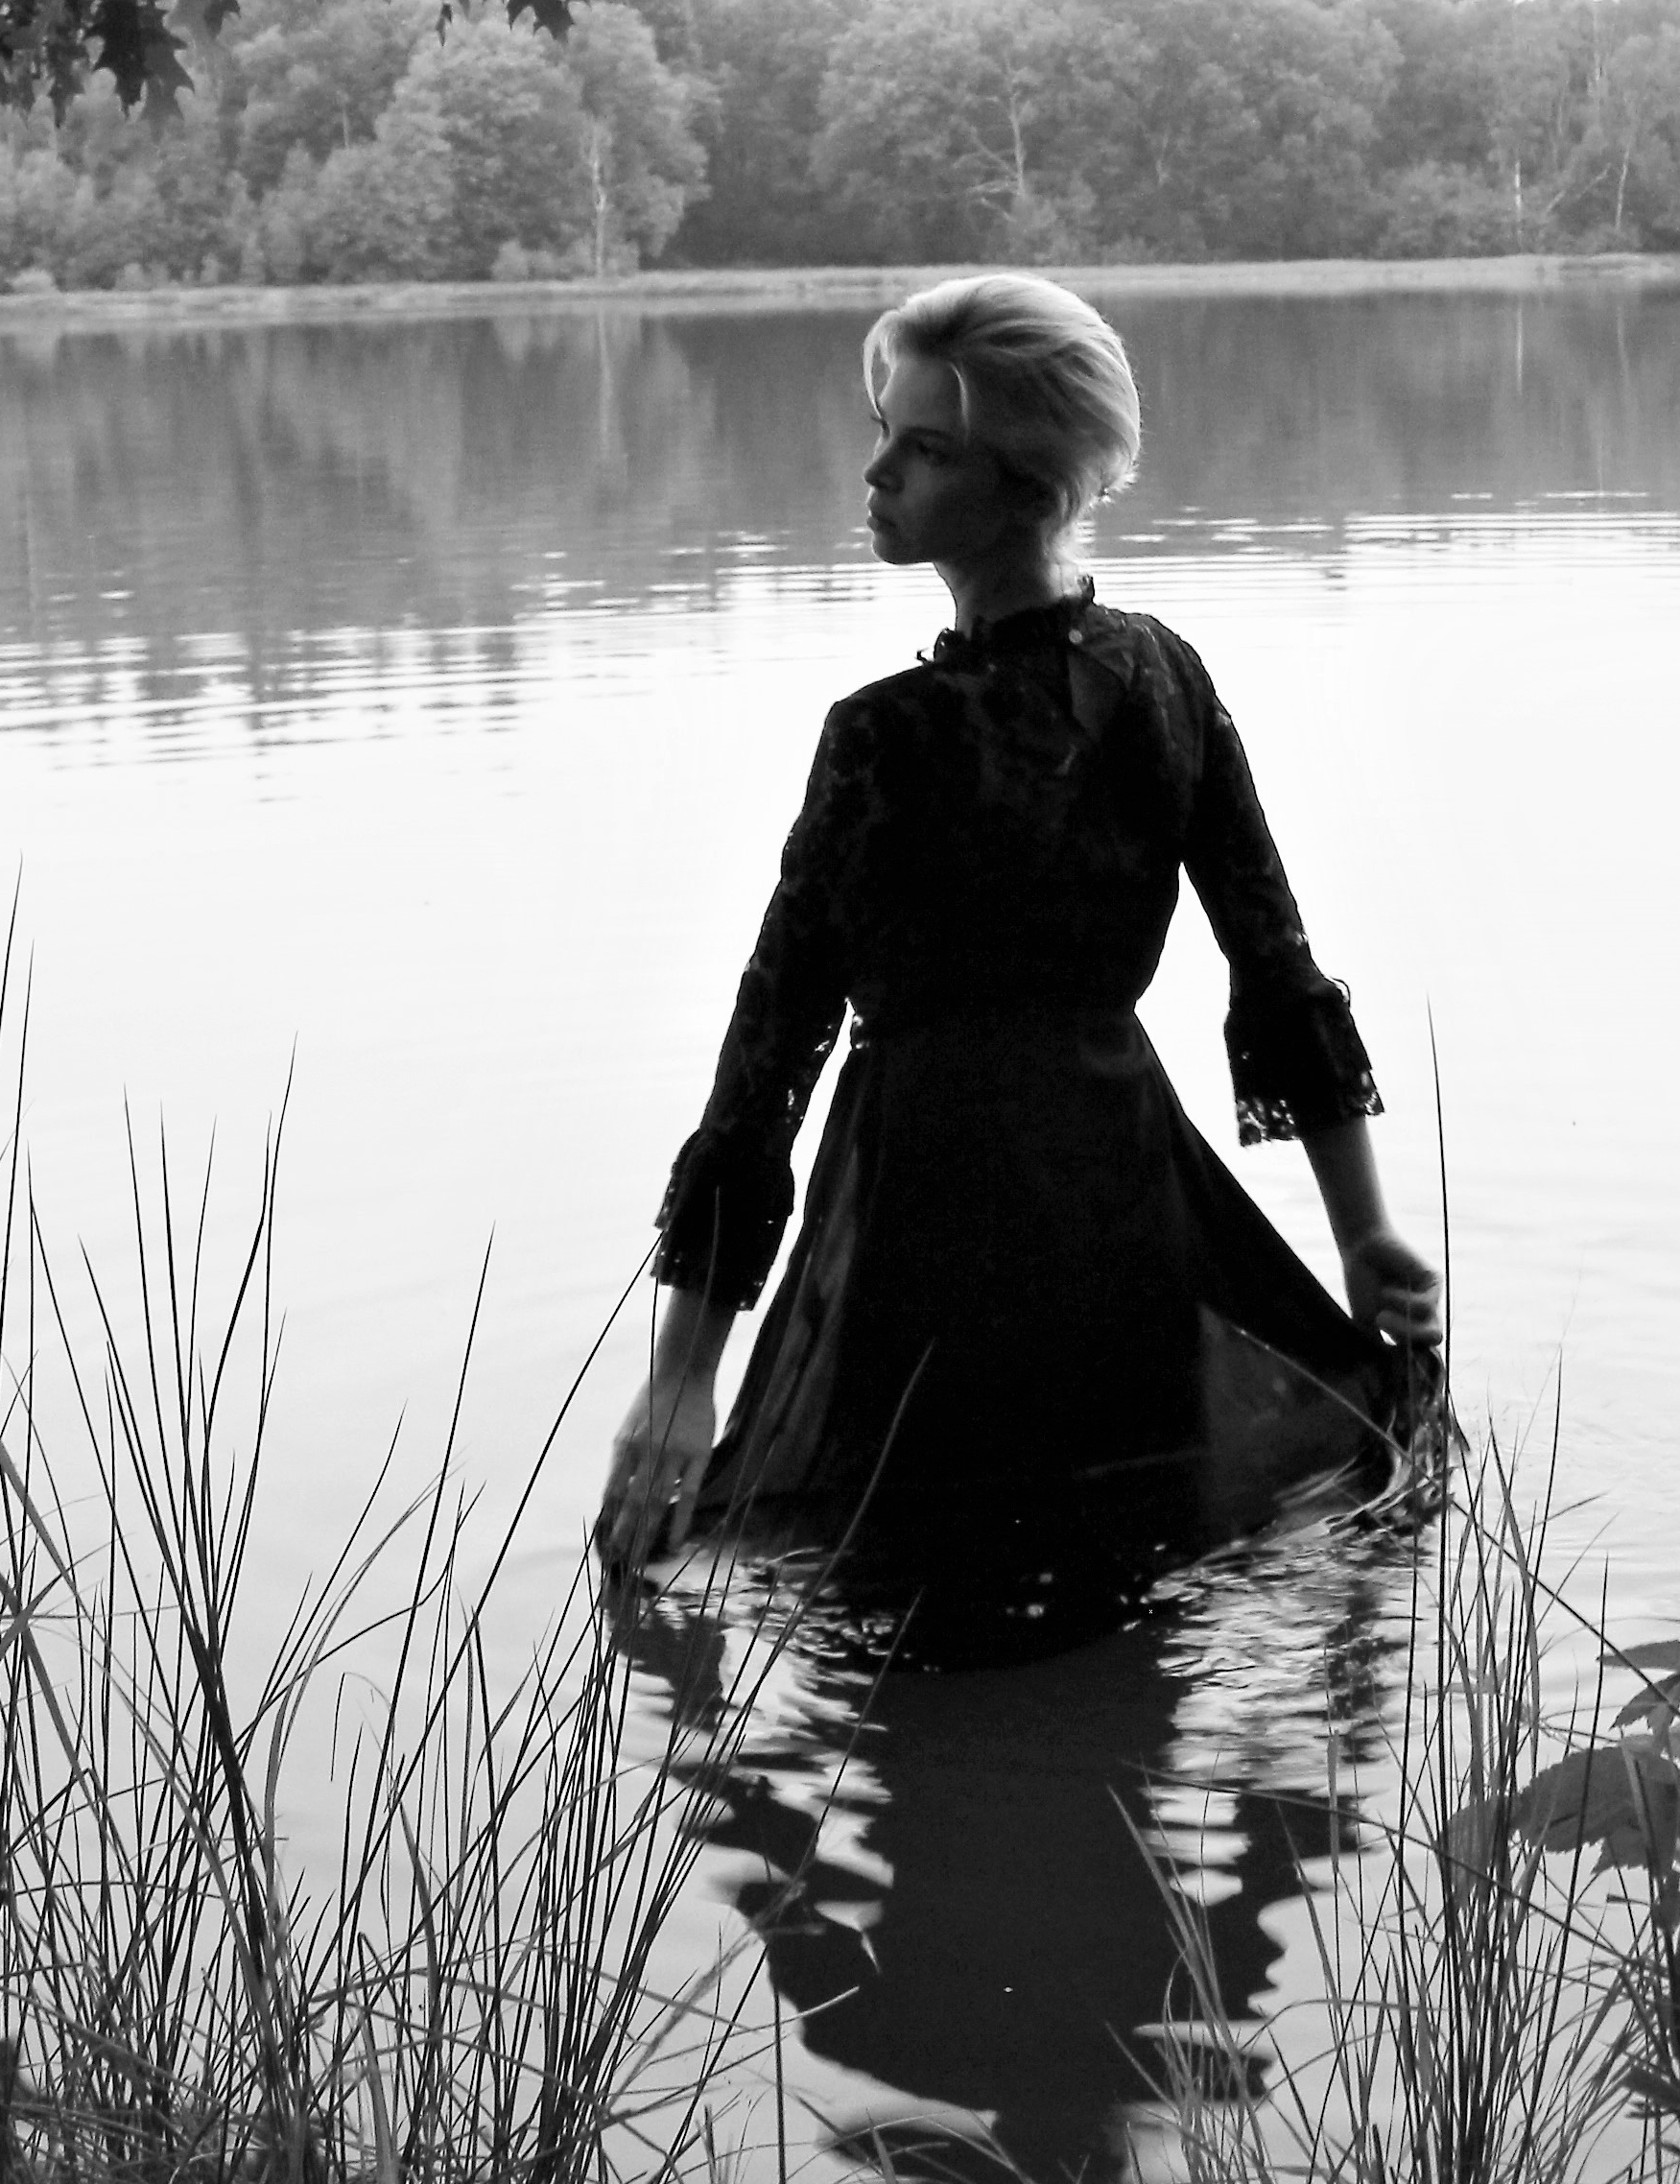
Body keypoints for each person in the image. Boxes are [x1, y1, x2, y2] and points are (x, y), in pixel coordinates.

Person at [593, 274, 1445, 1613]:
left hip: (922, 1230)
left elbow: (767, 1067)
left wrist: (682, 1379)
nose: (876, 472)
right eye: (883, 431)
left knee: (910, 1623)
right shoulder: (1165, 677)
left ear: (1030, 482)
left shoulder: (884, 736)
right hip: (1123, 1202)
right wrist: (1364, 1230)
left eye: (925, 449)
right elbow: (1278, 971)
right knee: (1129, 1587)